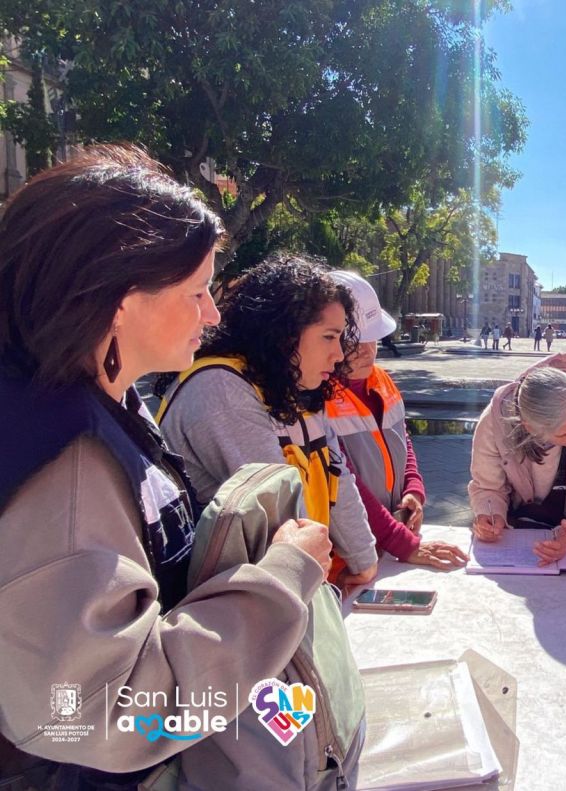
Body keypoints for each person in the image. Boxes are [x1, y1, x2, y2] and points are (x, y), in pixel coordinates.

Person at [0, 147, 344, 785]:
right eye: (195, 292)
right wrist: (283, 576)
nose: (212, 313)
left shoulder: (96, 403)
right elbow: (114, 718)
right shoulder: (65, 463)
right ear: (118, 300)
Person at [157, 255, 378, 588]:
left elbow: (339, 477)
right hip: (232, 599)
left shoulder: (295, 384)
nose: (339, 354)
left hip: (289, 586)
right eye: (329, 337)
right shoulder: (220, 388)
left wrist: (364, 562)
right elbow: (278, 512)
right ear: (285, 333)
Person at [326, 271, 468, 569]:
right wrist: (400, 542)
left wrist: (413, 489)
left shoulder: (381, 379)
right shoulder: (317, 395)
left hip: (388, 539)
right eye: (354, 341)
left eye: (372, 338)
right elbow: (344, 482)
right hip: (346, 553)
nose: (367, 350)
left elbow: (403, 440)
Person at [468, 355, 566, 565]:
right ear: (530, 428)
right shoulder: (496, 420)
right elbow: (488, 487)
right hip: (516, 530)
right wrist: (490, 516)